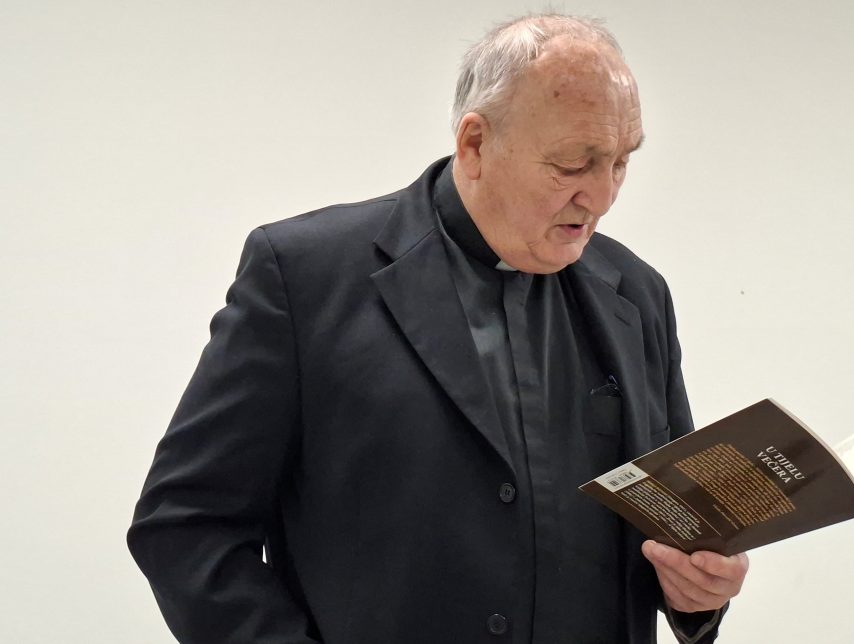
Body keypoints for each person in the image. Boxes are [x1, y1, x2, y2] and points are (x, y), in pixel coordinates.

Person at [128, 13, 748, 644]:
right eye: (572, 164)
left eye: (619, 162)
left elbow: (676, 532)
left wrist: (697, 593)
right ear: (475, 144)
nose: (603, 196)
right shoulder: (304, 277)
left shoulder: (638, 294)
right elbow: (185, 526)